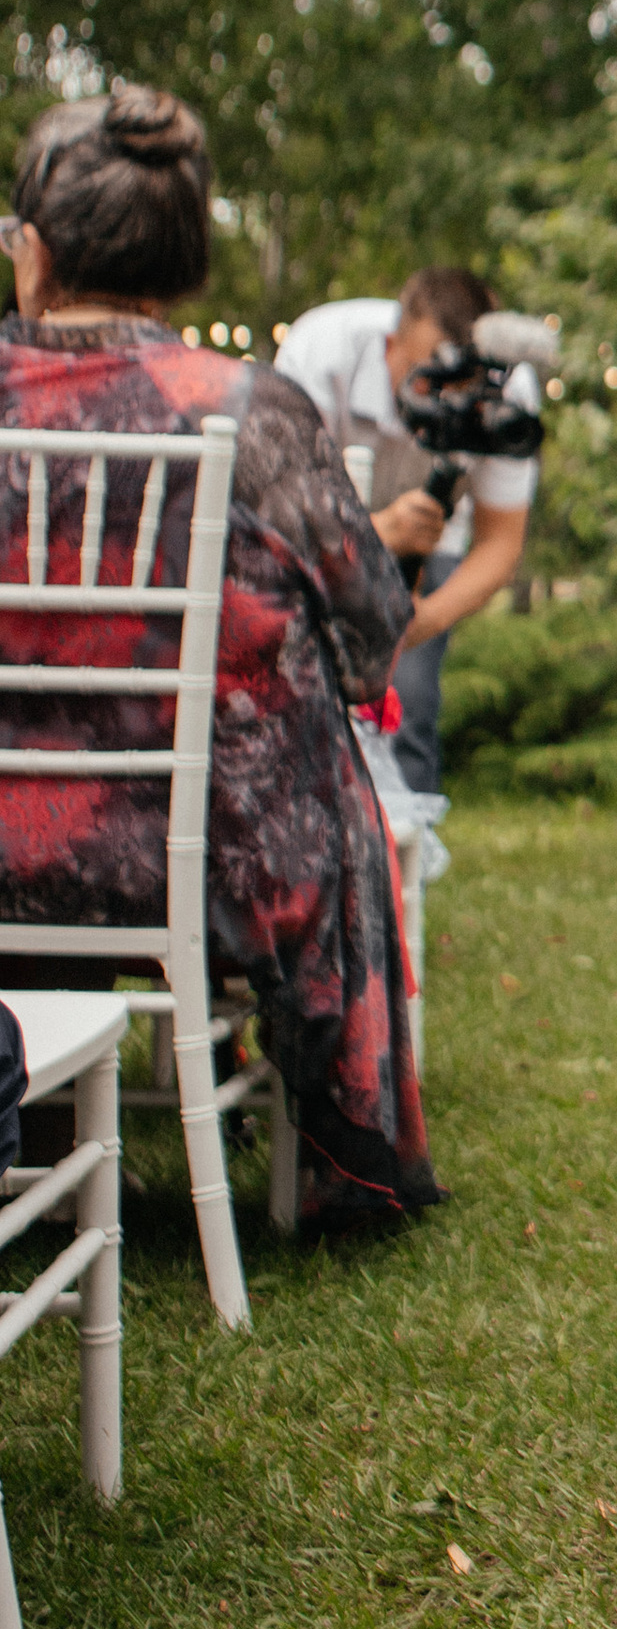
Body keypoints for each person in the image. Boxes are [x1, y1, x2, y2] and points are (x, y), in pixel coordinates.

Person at [0, 87, 435, 1231]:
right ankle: (336, 1168)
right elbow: (368, 634)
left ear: (33, 256)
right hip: (199, 863)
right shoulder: (247, 409)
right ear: (186, 262)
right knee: (325, 776)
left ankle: (42, 1122)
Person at [276, 269, 543, 796]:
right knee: (300, 686)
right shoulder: (320, 350)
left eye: (459, 384)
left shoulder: (508, 395)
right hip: (320, 533)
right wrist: (377, 530)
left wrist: (425, 618)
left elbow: (500, 542)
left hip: (434, 538)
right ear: (391, 342)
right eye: (426, 375)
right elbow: (282, 514)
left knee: (409, 699)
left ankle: (407, 850)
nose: (442, 395)